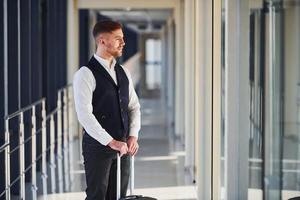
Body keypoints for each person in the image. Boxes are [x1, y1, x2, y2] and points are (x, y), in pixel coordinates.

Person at [73, 20, 141, 200]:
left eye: (123, 38)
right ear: (102, 41)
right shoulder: (85, 74)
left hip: (124, 147)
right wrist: (110, 141)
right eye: (118, 39)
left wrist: (133, 135)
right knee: (97, 196)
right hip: (97, 148)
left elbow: (133, 106)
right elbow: (84, 116)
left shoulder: (124, 72)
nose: (123, 43)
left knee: (119, 196)